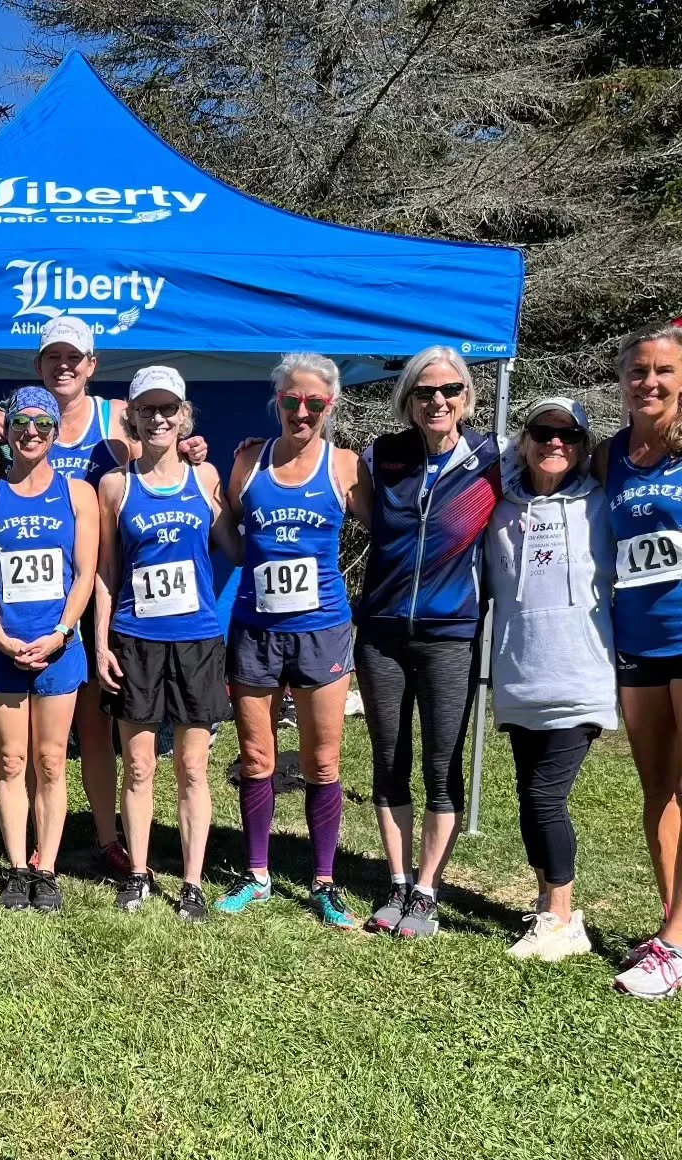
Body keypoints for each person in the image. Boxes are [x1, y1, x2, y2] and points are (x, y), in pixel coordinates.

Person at [0, 318, 206, 879]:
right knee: (25, 746)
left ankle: (104, 838)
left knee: (95, 729)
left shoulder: (115, 421)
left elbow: (159, 451)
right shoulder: (10, 422)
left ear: (92, 365)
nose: (64, 366)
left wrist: (192, 448)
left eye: (74, 358)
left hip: (102, 597)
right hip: (33, 605)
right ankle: (34, 848)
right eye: (53, 358)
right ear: (38, 367)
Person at [215, 354, 371, 929]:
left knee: (322, 761)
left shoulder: (346, 467)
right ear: (276, 401)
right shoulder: (249, 461)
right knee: (257, 757)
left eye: (313, 403)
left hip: (322, 631)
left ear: (330, 406)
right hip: (256, 630)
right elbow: (232, 530)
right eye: (290, 400)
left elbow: (389, 534)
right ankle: (256, 874)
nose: (300, 412)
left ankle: (325, 882)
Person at [353, 345, 502, 939]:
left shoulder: (494, 461)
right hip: (382, 633)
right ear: (408, 399)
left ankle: (426, 890)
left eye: (449, 391)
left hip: (451, 635)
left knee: (441, 766)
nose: (437, 401)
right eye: (424, 391)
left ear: (467, 397)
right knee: (389, 761)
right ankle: (395, 881)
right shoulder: (383, 455)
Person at [94, 367, 236, 921]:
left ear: (184, 416)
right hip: (136, 639)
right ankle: (138, 872)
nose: (158, 418)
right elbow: (107, 570)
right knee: (138, 766)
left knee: (194, 767)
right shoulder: (116, 485)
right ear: (132, 416)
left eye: (168, 409)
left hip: (197, 639)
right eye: (148, 409)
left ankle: (193, 880)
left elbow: (236, 546)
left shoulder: (205, 479)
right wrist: (103, 640)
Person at [484, 396, 613, 962]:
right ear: (526, 440)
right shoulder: (498, 506)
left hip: (580, 676)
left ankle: (560, 917)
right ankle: (548, 902)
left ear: (584, 447)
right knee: (528, 798)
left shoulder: (602, 504)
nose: (555, 443)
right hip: (519, 676)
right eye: (543, 432)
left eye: (569, 436)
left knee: (544, 795)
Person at [0, 386, 99, 913]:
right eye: (22, 423)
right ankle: (17, 867)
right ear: (9, 430)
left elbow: (85, 572)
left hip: (59, 646)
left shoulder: (78, 494)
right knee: (11, 759)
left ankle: (47, 868)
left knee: (50, 760)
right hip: (2, 645)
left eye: (43, 424)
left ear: (56, 431)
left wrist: (63, 631)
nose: (31, 433)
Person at [598, 324, 682, 997]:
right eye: (638, 372)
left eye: (663, 372)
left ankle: (675, 946)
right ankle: (671, 927)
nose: (649, 383)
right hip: (638, 641)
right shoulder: (611, 456)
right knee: (658, 788)